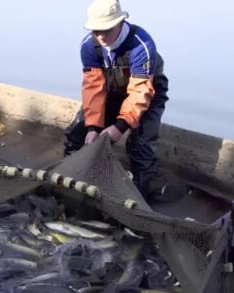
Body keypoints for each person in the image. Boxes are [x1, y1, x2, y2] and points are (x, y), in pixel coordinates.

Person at [64, 0, 169, 200]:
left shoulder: (141, 44)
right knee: (78, 131)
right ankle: (72, 177)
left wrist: (120, 126)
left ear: (120, 23)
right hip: (112, 91)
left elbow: (140, 92)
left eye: (106, 29)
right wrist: (93, 127)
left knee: (141, 145)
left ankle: (140, 195)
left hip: (148, 92)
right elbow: (93, 87)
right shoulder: (89, 46)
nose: (101, 36)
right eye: (96, 30)